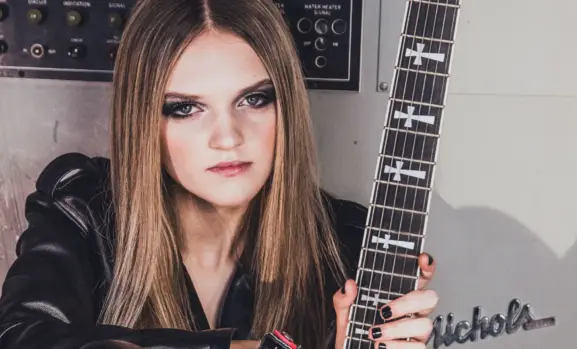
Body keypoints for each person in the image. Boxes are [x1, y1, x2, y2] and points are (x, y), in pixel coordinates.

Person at [0, 0, 439, 348]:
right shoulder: (82, 213)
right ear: (143, 122)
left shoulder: (350, 243)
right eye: (185, 108)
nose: (227, 138)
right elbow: (21, 338)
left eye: (254, 100)